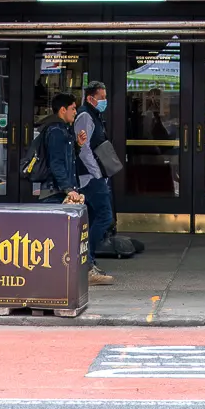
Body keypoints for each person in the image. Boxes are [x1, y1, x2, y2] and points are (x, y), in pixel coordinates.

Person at [74, 80, 115, 288]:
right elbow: (83, 148)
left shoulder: (94, 115)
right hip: (90, 177)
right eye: (102, 97)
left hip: (93, 176)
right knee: (105, 216)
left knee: (92, 219)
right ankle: (87, 264)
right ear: (91, 98)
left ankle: (87, 263)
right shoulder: (84, 116)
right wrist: (97, 173)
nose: (104, 101)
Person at [34, 92, 84, 209]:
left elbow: (66, 158)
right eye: (73, 109)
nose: (75, 113)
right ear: (63, 110)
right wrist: (68, 189)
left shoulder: (63, 129)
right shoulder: (56, 131)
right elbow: (56, 162)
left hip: (59, 192)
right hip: (55, 193)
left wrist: (78, 146)